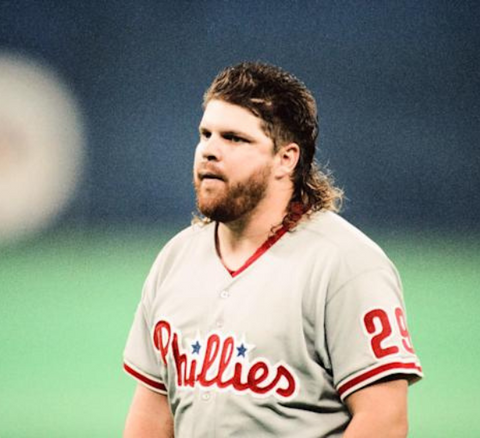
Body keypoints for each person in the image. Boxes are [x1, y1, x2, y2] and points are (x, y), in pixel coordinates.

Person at [123, 62, 422, 437]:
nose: (209, 151)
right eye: (205, 134)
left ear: (286, 158)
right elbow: (151, 418)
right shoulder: (175, 259)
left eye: (234, 138)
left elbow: (385, 421)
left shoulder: (346, 265)